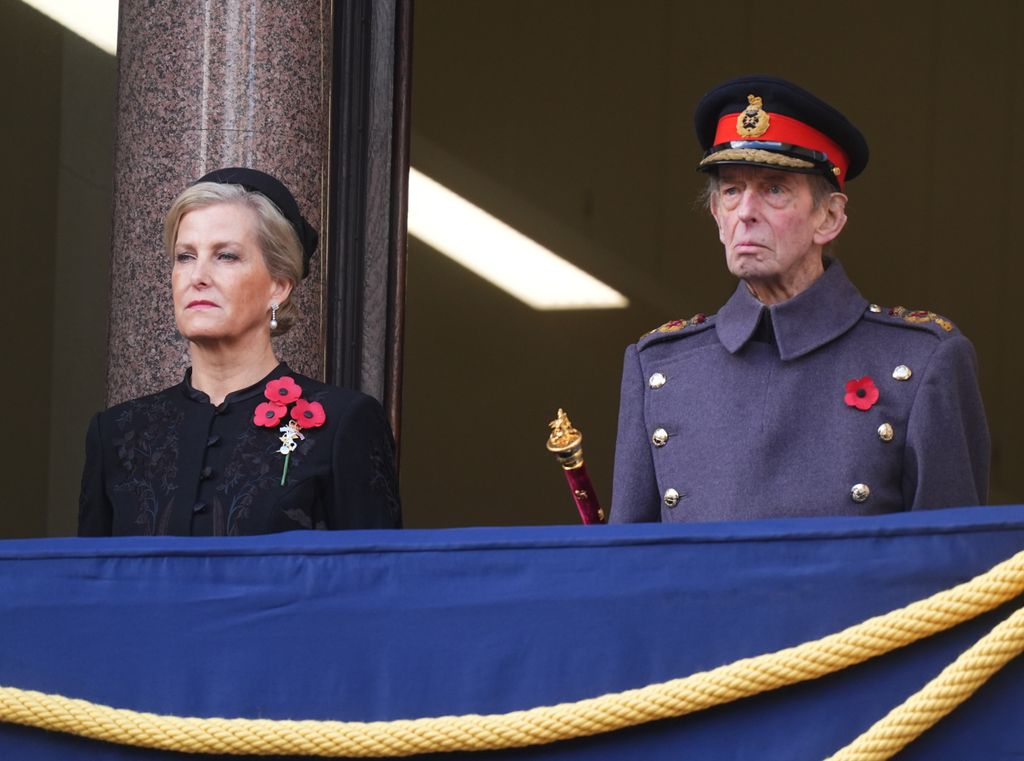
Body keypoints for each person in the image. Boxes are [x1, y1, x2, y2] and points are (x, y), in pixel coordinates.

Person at [611, 76, 989, 523]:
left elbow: (958, 574)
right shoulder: (659, 367)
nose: (746, 211)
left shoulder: (924, 359)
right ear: (717, 217)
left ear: (829, 218)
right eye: (731, 190)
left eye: (774, 189)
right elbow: (627, 569)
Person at [79, 168, 401, 535]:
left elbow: (376, 582)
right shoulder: (117, 433)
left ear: (278, 286)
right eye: (185, 256)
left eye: (226, 256)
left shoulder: (344, 423)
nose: (197, 275)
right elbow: (92, 584)